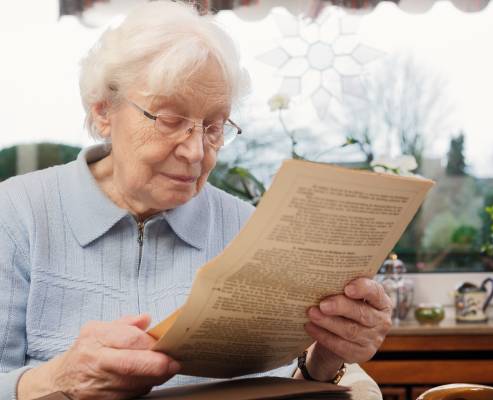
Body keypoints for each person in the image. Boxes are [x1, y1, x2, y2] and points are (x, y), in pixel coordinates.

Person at [0, 1, 392, 399]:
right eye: (170, 121)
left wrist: (324, 358)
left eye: (214, 127)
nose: (196, 152)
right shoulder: (17, 215)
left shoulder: (247, 230)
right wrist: (56, 380)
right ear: (103, 112)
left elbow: (278, 387)